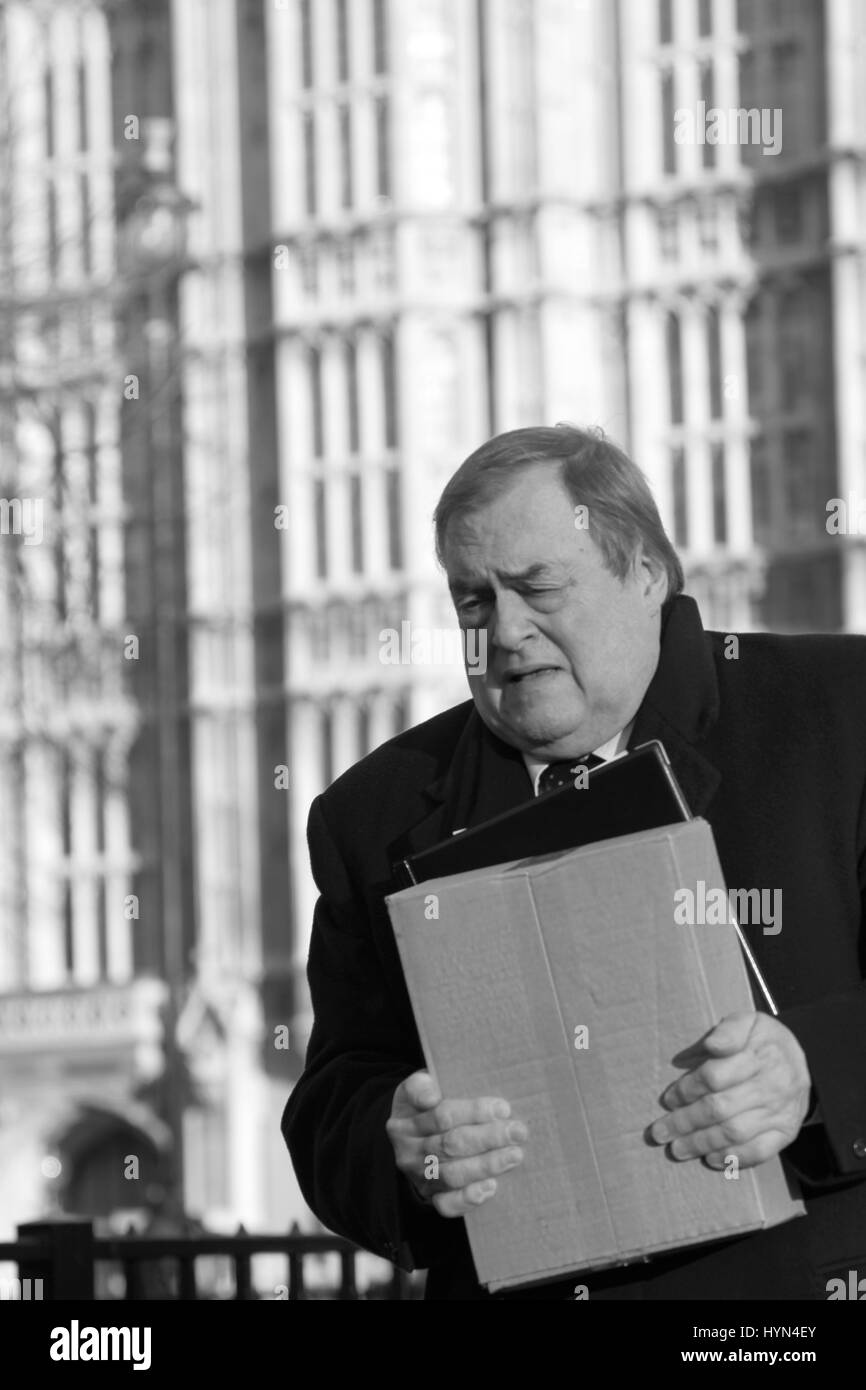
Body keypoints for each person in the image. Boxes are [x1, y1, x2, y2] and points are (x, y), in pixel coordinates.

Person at [282, 425, 866, 1300]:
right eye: (473, 600)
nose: (507, 631)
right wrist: (400, 1146)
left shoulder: (835, 715)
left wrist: (811, 1072)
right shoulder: (374, 814)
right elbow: (332, 1103)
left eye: (539, 586)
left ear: (646, 575)